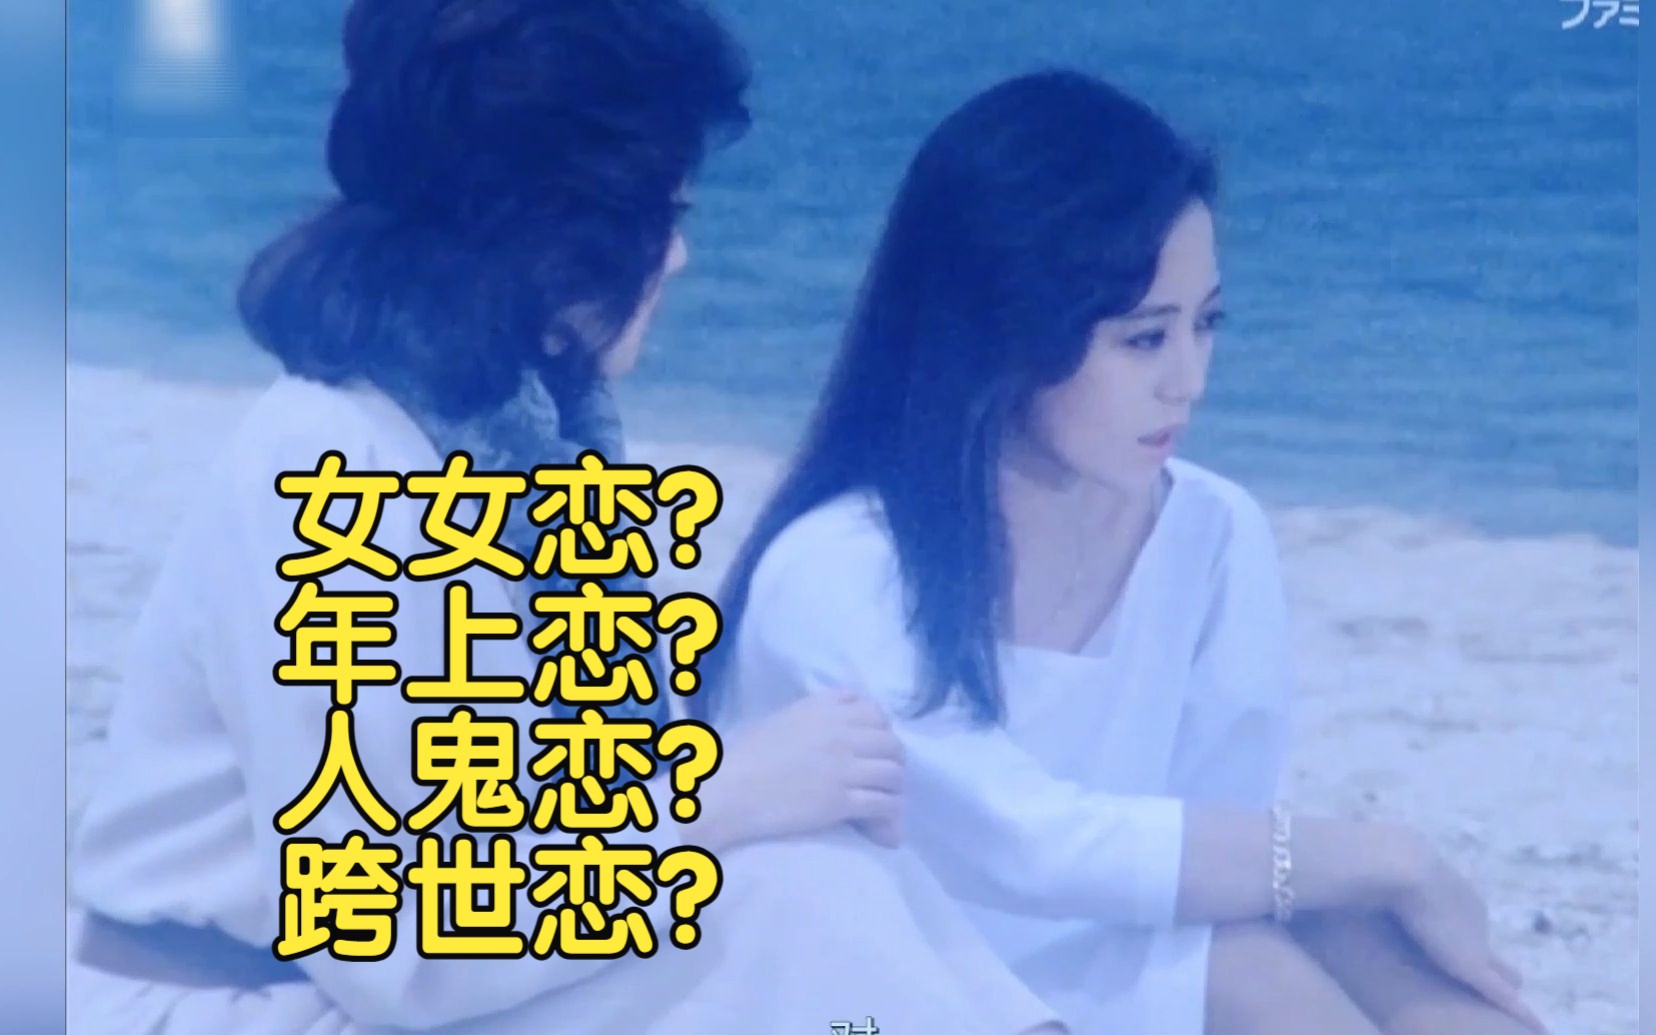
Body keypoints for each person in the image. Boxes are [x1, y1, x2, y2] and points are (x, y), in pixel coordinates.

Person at [67, 3, 1062, 1031]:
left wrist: (755, 796)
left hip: (433, 985)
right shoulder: (336, 463)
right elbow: (395, 938)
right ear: (555, 229)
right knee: (788, 902)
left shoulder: (524, 433)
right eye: (662, 214)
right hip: (245, 999)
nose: (679, 257)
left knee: (815, 882)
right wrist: (721, 797)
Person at [708, 70, 1547, 1035]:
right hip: (900, 988)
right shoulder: (841, 569)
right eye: (1144, 339)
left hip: (1114, 947)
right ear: (1009, 329)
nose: (1188, 381)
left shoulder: (1213, 531)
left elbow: (1225, 849)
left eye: (1206, 324)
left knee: (1421, 982)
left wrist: (1379, 909)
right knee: (1317, 925)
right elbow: (1024, 846)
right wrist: (1395, 857)